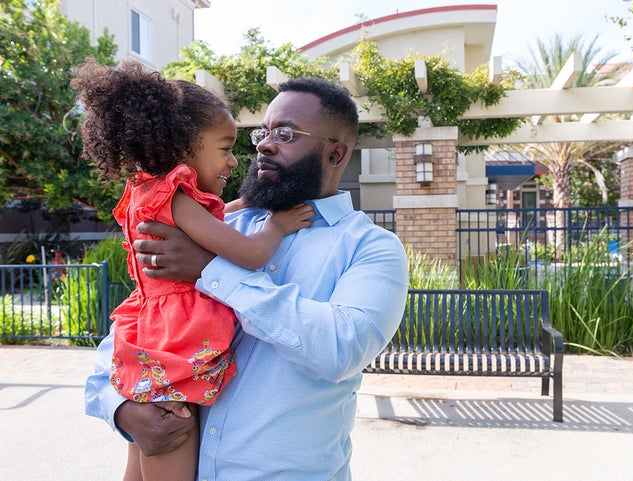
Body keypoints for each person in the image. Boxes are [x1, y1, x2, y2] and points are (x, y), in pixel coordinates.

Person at [85, 76, 409, 480]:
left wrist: (211, 270)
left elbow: (341, 348)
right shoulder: (219, 223)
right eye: (265, 131)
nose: (264, 145)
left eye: (286, 133)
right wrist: (122, 408)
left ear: (336, 153)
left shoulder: (371, 248)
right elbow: (137, 333)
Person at [73, 59, 314, 481]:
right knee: (173, 440)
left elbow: (211, 217)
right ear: (185, 149)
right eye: (224, 149)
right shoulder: (179, 199)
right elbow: (250, 254)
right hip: (178, 350)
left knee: (142, 458)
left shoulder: (148, 191)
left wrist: (245, 204)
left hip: (153, 337)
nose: (233, 163)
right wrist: (276, 224)